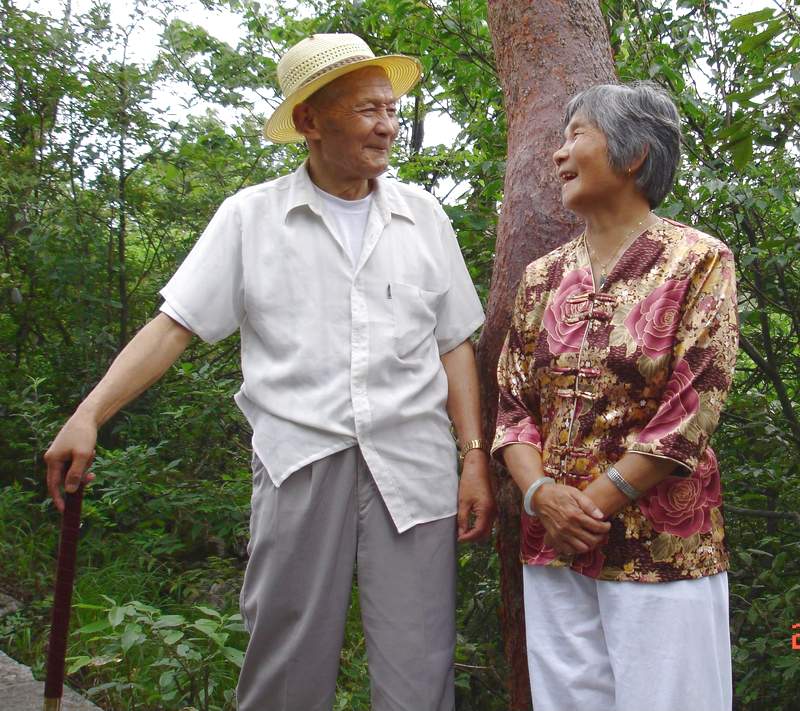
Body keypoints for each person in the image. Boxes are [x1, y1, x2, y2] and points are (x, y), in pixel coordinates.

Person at [44, 33, 495, 711]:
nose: (387, 125)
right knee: (285, 664)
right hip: (301, 460)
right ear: (311, 121)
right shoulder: (251, 218)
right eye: (367, 109)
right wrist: (89, 413)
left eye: (391, 109)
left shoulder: (422, 217)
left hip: (416, 462)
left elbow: (454, 342)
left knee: (420, 668)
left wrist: (472, 456)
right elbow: (176, 324)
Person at [492, 81, 738, 711]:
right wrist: (544, 498)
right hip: (552, 543)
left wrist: (590, 506)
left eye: (577, 135)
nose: (558, 155)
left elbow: (693, 407)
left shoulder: (698, 260)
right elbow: (514, 408)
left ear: (632, 156)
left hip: (661, 543)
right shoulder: (542, 277)